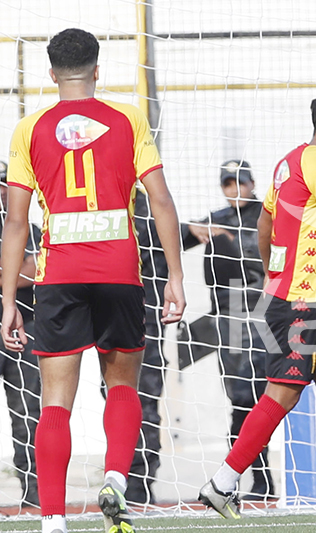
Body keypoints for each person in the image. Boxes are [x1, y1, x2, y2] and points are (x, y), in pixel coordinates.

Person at [0, 28, 186, 533]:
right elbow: (162, 201)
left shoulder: (28, 128)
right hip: (119, 271)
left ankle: (53, 521)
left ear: (52, 72)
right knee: (123, 384)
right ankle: (116, 480)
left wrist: (8, 302)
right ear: (98, 70)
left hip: (58, 274)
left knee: (54, 399)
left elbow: (15, 222)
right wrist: (175, 277)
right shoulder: (127, 118)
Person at [199, 92, 316, 518]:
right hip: (298, 305)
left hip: (311, 302)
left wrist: (275, 270)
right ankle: (222, 483)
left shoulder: (286, 162)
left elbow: (264, 223)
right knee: (283, 394)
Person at [182, 160, 275, 501]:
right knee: (239, 400)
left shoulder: (267, 215)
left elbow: (267, 261)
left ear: (253, 183)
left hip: (261, 313)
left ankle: (265, 480)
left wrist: (228, 243)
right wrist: (193, 228)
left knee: (264, 398)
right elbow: (169, 238)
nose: (234, 189)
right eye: (227, 184)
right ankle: (248, 479)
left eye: (240, 182)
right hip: (228, 316)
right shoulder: (215, 219)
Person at [0, 160, 41, 508]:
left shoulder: (31, 227)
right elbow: (21, 270)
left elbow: (34, 272)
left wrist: (11, 274)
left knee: (28, 413)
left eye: (4, 183)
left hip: (24, 328)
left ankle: (35, 496)